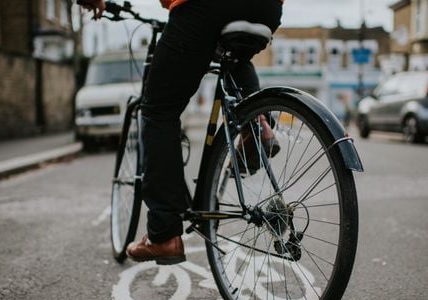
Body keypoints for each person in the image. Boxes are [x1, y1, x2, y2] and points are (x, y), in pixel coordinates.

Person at [79, 0, 283, 264]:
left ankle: (164, 234)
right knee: (234, 58)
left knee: (158, 110)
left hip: (203, 7)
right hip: (267, 8)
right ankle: (258, 126)